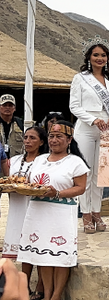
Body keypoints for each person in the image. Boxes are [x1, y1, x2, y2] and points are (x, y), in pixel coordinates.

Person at [17, 121, 89, 300]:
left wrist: (57, 193)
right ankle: (46, 293)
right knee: (42, 255)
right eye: (51, 136)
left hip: (61, 213)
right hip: (37, 211)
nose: (54, 140)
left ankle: (56, 296)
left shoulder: (75, 162)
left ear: (69, 139)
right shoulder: (40, 159)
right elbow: (32, 181)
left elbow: (80, 188)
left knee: (60, 256)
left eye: (59, 136)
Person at [69, 37, 109, 234]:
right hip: (87, 128)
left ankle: (97, 211)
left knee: (101, 175)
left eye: (103, 55)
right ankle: (86, 215)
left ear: (108, 58)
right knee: (86, 173)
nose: (100, 58)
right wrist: (93, 120)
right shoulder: (80, 78)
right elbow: (74, 106)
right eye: (96, 55)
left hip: (107, 129)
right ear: (89, 57)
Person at [3, 127, 47, 299]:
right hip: (17, 209)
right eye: (26, 137)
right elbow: (8, 180)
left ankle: (40, 285)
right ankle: (24, 285)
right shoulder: (14, 161)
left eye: (32, 138)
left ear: (42, 142)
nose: (27, 141)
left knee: (37, 247)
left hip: (36, 209)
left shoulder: (45, 161)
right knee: (23, 250)